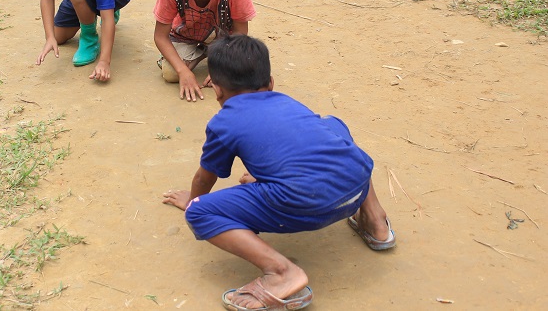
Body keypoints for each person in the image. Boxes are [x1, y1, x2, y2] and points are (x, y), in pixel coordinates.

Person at [163, 35, 396, 310]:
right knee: (332, 124)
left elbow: (205, 177)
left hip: (306, 204)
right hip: (356, 186)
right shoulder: (287, 102)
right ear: (271, 83)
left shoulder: (224, 122)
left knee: (200, 212)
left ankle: (282, 273)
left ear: (218, 91)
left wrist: (192, 200)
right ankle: (376, 221)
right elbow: (302, 151)